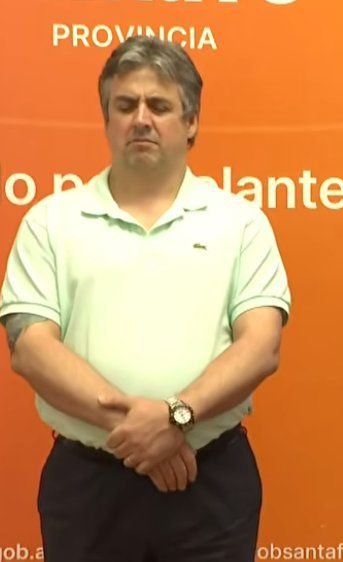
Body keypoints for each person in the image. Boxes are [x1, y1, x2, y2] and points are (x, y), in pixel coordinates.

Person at [1, 36, 290, 561]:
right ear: (107, 119)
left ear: (191, 122)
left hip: (209, 482)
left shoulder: (240, 222)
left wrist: (176, 417)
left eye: (159, 105)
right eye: (125, 105)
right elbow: (31, 347)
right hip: (88, 485)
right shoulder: (50, 222)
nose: (141, 119)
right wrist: (142, 433)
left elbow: (261, 345)